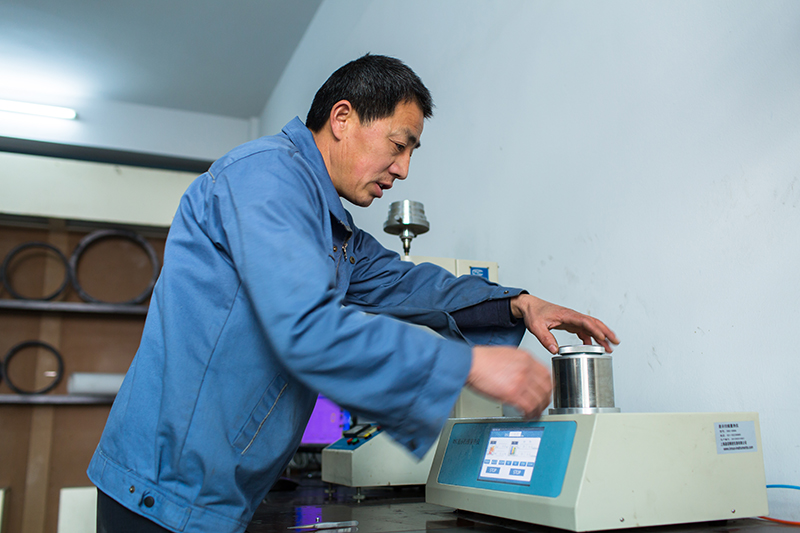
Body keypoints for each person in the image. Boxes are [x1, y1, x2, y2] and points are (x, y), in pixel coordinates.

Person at [89, 54, 618, 533]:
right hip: (161, 495)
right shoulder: (265, 177)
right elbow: (306, 328)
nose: (404, 169)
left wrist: (517, 303)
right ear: (342, 119)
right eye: (399, 144)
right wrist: (466, 365)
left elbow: (409, 283)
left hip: (215, 495)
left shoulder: (332, 229)